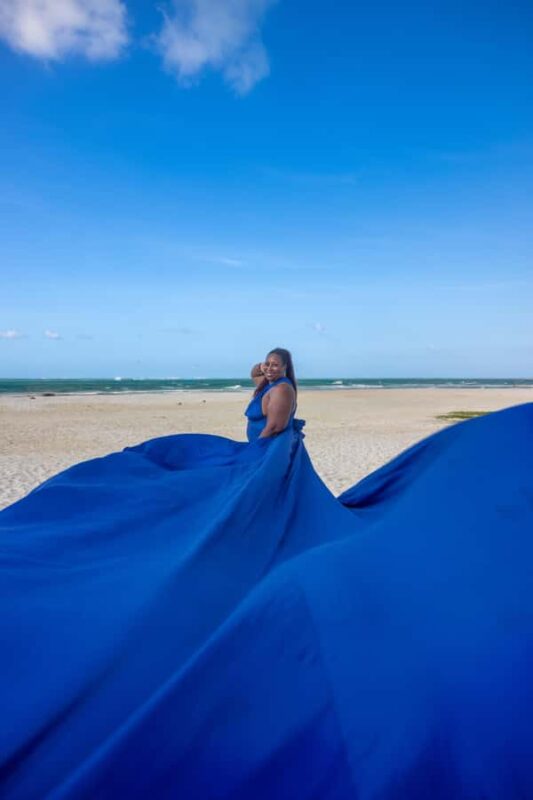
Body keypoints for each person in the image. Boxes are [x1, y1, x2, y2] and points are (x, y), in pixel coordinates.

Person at [1, 361, 533, 799]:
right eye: (270, 362)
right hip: (262, 456)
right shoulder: (269, 382)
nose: (272, 368)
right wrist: (261, 378)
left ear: (288, 370)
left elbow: (274, 427)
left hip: (268, 458)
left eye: (279, 363)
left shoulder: (281, 391)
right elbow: (262, 399)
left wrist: (263, 420)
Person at [245, 347, 297, 440]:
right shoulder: (268, 385)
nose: (269, 368)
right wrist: (262, 366)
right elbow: (255, 373)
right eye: (267, 364)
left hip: (269, 448)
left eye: (275, 365)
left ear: (284, 367)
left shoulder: (281, 389)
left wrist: (255, 448)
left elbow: (274, 428)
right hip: (261, 445)